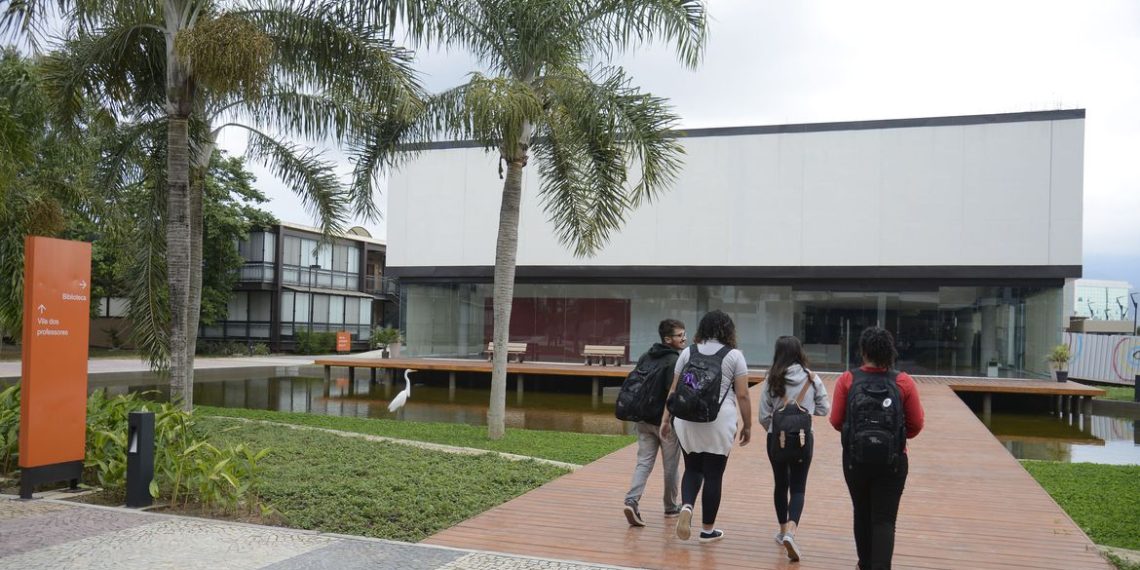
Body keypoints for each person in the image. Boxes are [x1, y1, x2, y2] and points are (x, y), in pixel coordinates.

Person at [829, 327, 925, 570]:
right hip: (892, 461)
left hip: (855, 460)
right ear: (890, 352)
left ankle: (864, 564)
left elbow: (836, 421)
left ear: (863, 351)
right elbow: (916, 425)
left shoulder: (847, 380)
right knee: (884, 520)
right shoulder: (903, 382)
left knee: (861, 512)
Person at [660, 310, 752, 544]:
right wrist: (748, 425)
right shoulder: (734, 356)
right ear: (728, 330)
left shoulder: (688, 352)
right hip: (719, 421)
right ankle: (707, 530)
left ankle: (687, 507)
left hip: (685, 419)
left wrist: (665, 419)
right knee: (714, 474)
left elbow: (673, 390)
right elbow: (742, 395)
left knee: (692, 468)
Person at [759, 335, 830, 562]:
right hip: (802, 439)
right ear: (799, 352)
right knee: (798, 488)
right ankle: (791, 531)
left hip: (775, 440)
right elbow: (824, 408)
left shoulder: (772, 379)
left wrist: (775, 427)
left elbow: (763, 415)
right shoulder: (811, 377)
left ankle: (781, 532)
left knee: (781, 484)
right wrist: (805, 414)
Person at [622, 319, 687, 526]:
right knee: (670, 467)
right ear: (668, 339)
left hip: (642, 418)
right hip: (664, 422)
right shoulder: (674, 361)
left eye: (684, 334)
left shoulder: (646, 356)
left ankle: (632, 500)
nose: (684, 338)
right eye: (679, 335)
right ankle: (670, 506)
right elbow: (673, 393)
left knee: (643, 462)